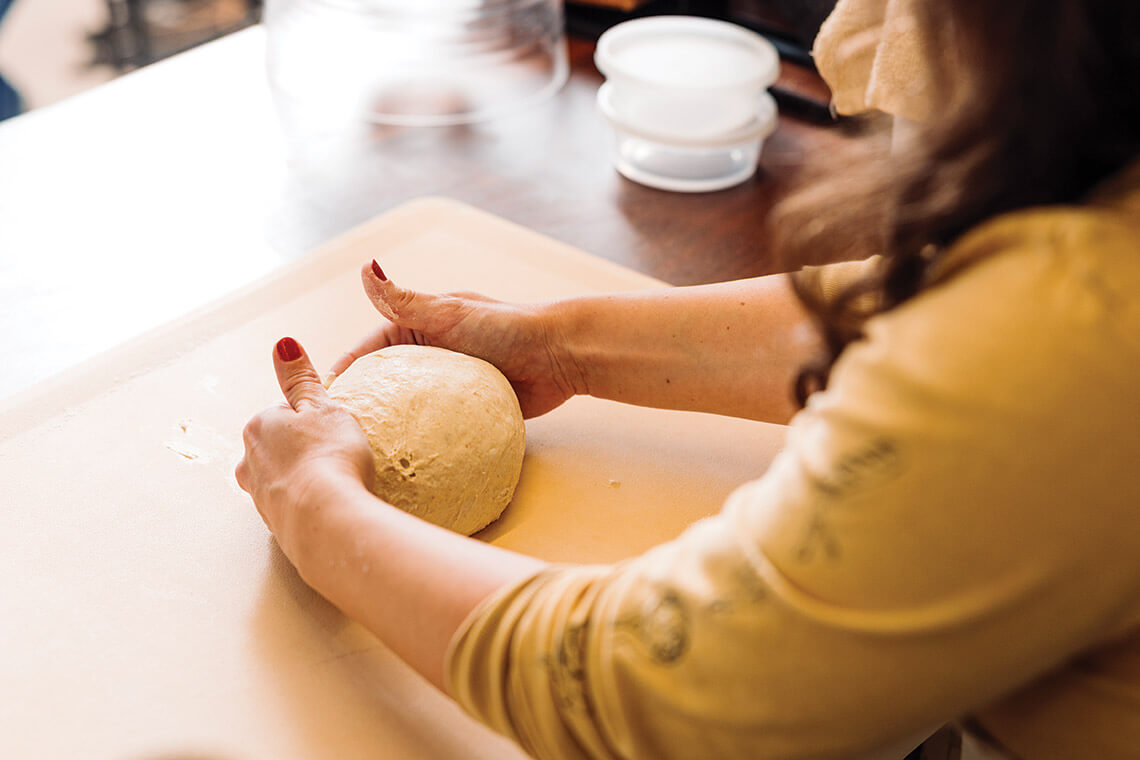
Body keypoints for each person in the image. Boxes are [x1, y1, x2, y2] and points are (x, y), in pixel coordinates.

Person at [236, 0, 1140, 757]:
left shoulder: (1078, 330)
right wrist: (563, 346)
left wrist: (317, 501)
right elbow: (933, 312)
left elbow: (659, 688)